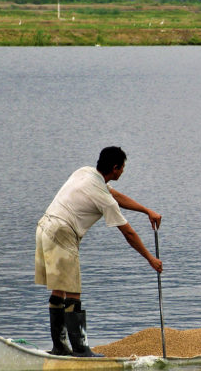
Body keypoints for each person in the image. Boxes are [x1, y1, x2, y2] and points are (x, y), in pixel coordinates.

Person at [35, 146, 162, 357]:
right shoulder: (104, 198)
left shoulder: (85, 172)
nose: (123, 171)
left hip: (44, 227)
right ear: (115, 168)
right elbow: (128, 233)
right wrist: (151, 259)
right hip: (63, 232)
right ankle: (81, 350)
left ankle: (60, 347)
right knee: (73, 292)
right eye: (123, 168)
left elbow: (115, 195)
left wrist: (146, 210)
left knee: (59, 290)